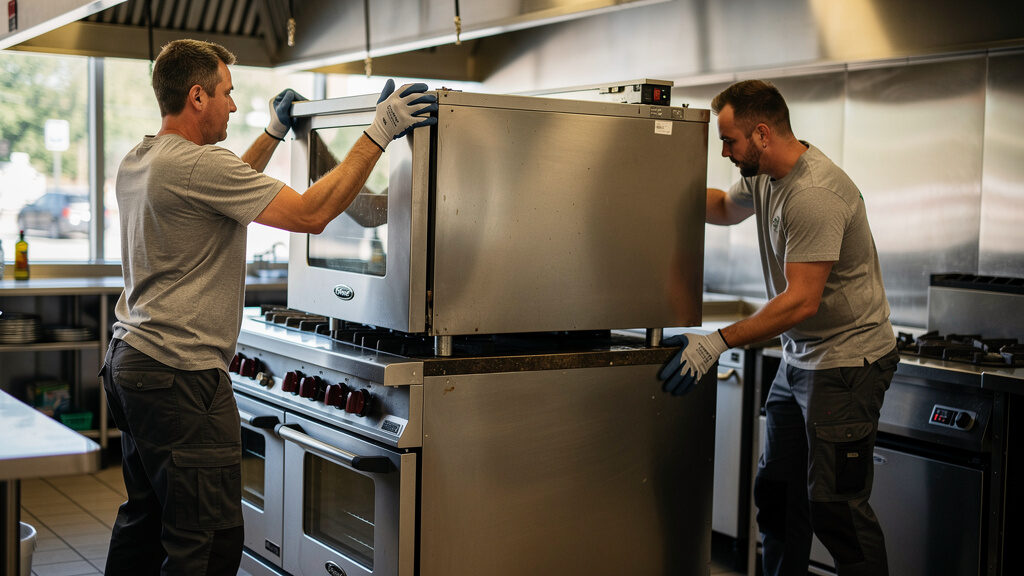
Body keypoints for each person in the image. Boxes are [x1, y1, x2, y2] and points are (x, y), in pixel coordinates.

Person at [100, 39, 436, 575]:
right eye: (227, 94)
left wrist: (274, 133)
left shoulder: (143, 158)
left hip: (131, 362)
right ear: (197, 97)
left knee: (147, 519)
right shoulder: (197, 167)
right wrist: (379, 131)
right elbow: (311, 213)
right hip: (180, 377)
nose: (234, 105)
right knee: (207, 541)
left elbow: (230, 187)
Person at [658, 80, 898, 576]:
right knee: (780, 497)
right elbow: (724, 207)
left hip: (846, 364)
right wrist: (651, 193)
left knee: (838, 511)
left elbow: (801, 302)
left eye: (729, 141)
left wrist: (717, 343)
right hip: (801, 359)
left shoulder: (814, 194)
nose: (724, 152)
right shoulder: (765, 174)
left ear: (762, 134)